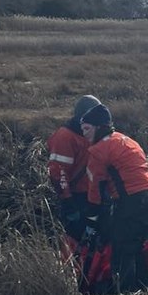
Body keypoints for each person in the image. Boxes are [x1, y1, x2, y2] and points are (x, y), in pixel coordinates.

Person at [81, 103, 148, 294]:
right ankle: (143, 288)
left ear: (99, 127)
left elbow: (95, 189)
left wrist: (92, 218)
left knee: (122, 250)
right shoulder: (127, 140)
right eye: (82, 129)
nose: (84, 134)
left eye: (87, 129)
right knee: (135, 246)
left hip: (130, 203)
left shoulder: (98, 150)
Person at [46, 95, 100, 241]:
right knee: (75, 240)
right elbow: (57, 173)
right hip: (76, 198)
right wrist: (69, 202)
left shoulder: (90, 133)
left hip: (91, 196)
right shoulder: (65, 137)